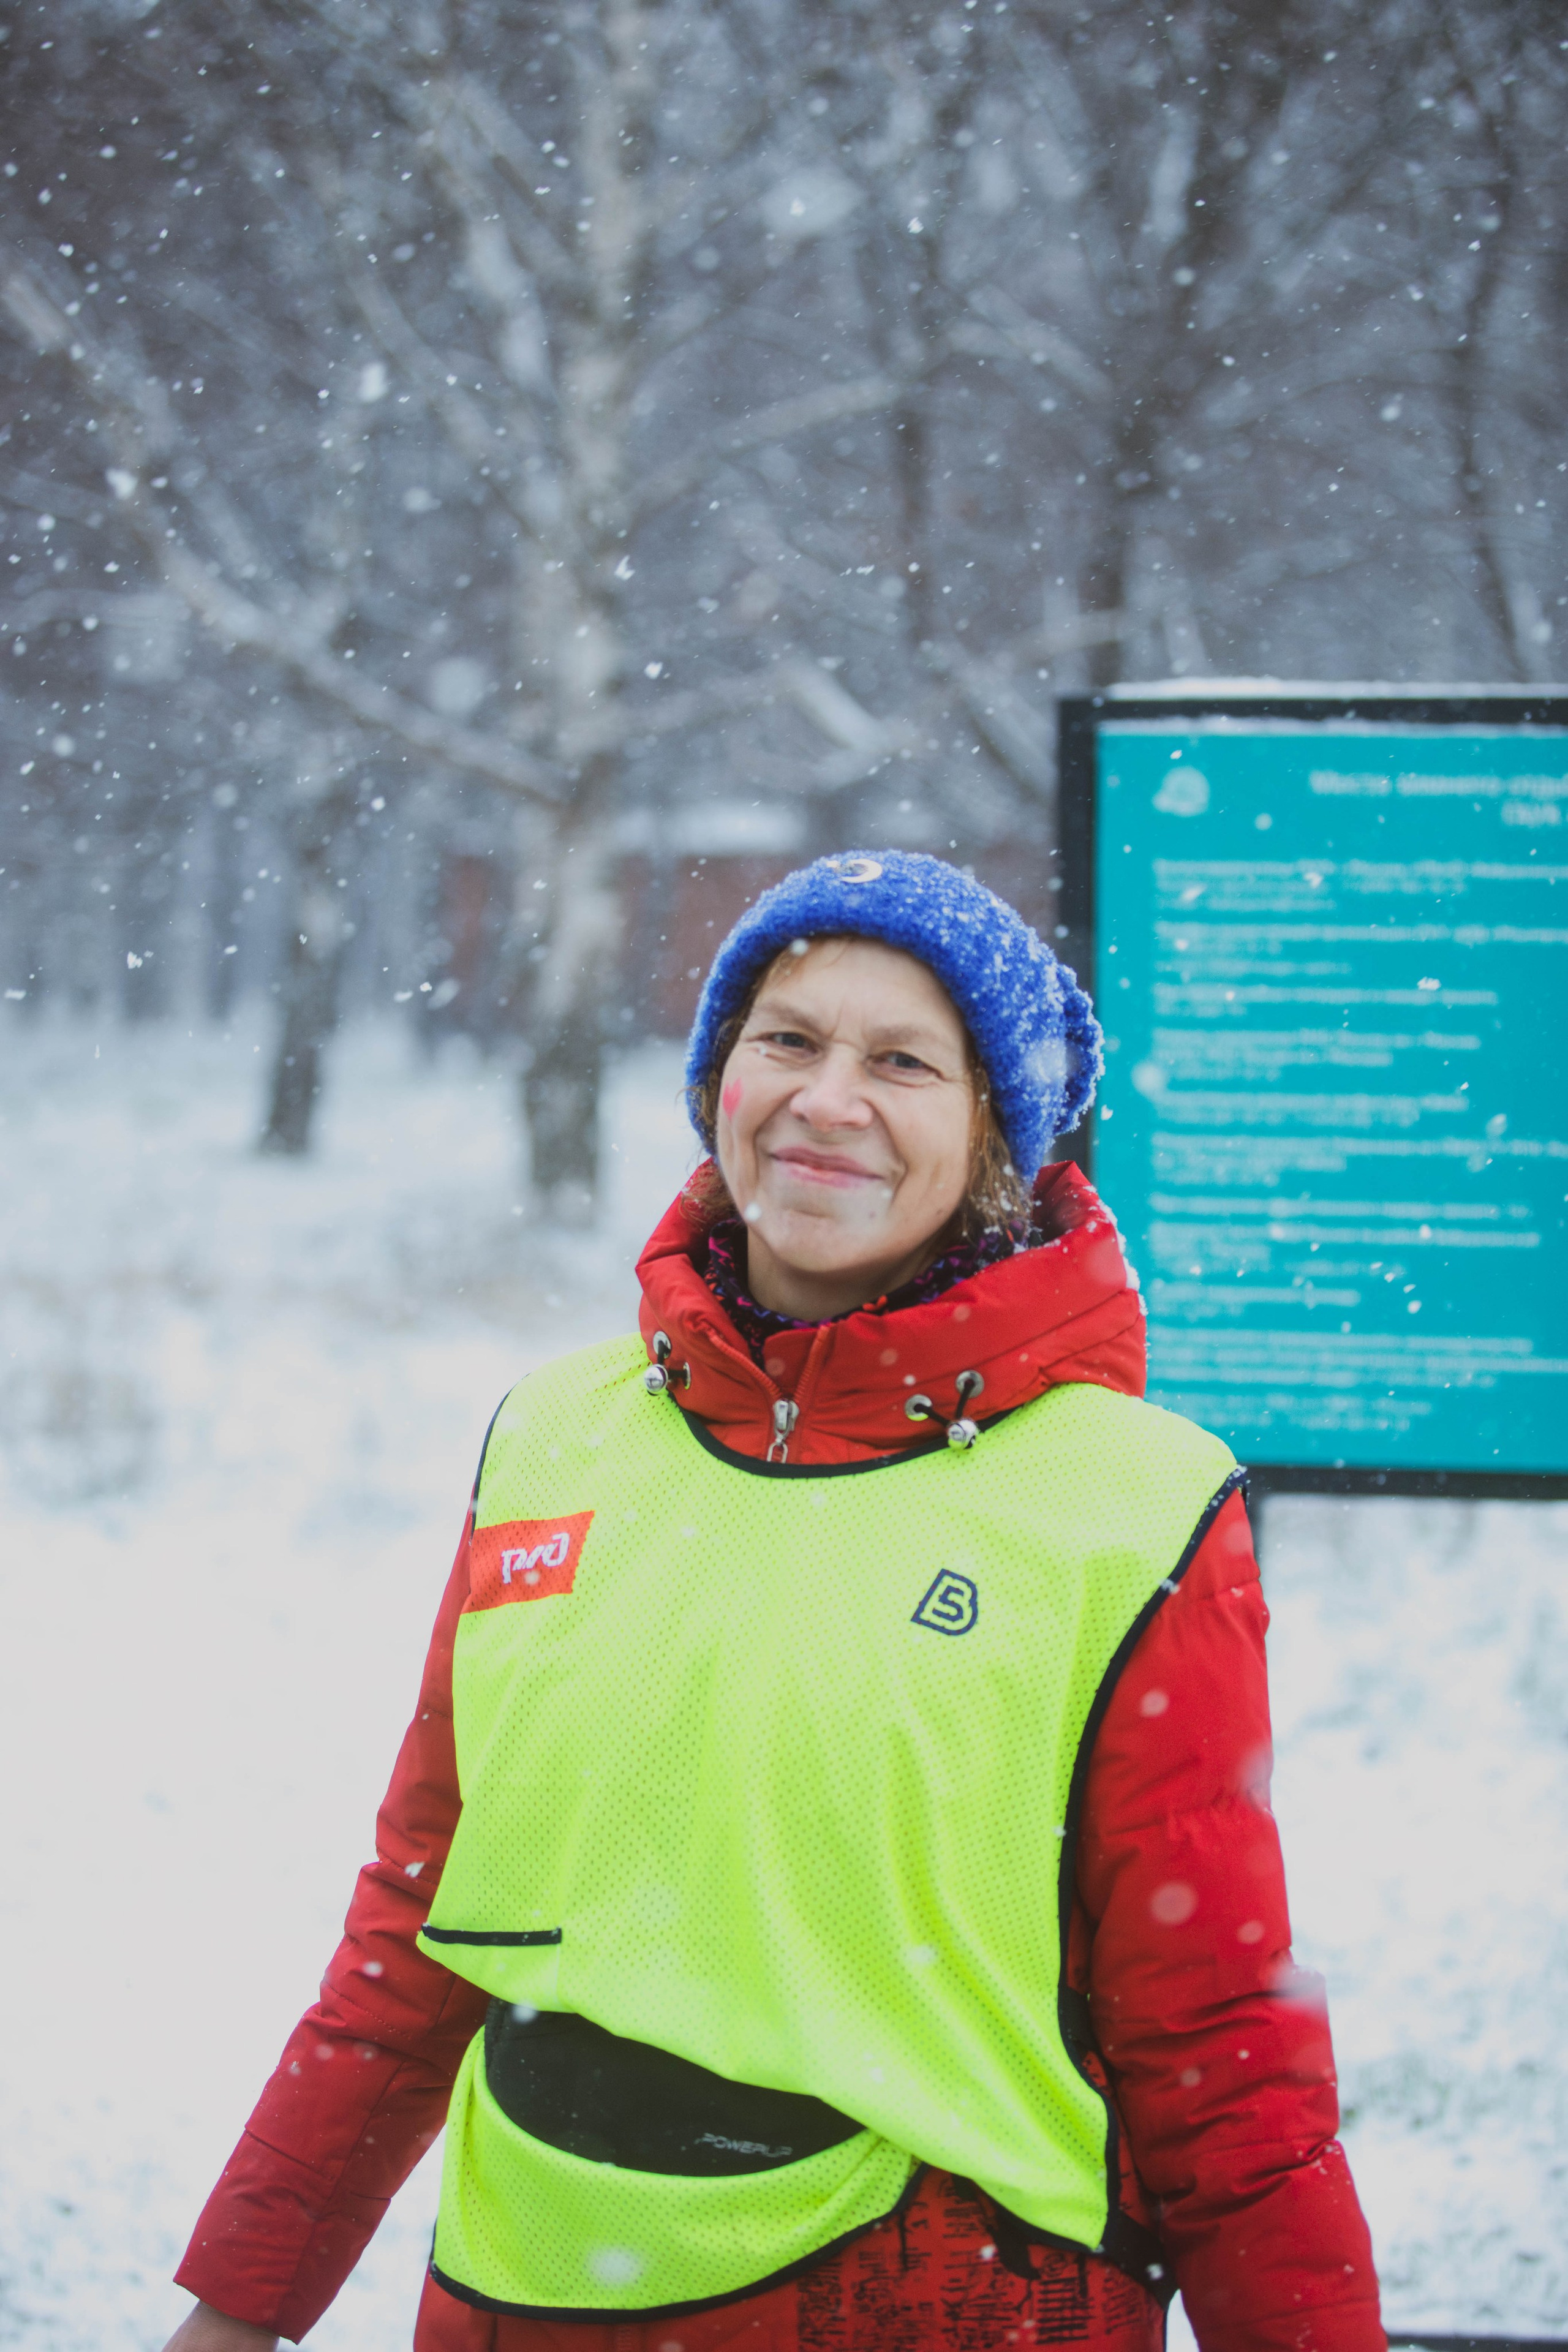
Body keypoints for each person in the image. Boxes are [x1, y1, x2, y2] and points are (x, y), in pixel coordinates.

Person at [165, 853, 1384, 2352]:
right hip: (524, 2292)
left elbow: (1214, 2038)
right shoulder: (556, 1437)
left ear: (995, 1131)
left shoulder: (1131, 1506)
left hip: (938, 2304)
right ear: (717, 1080)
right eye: (787, 1040)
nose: (826, 1098)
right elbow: (421, 1926)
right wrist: (237, 2305)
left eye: (901, 1062)